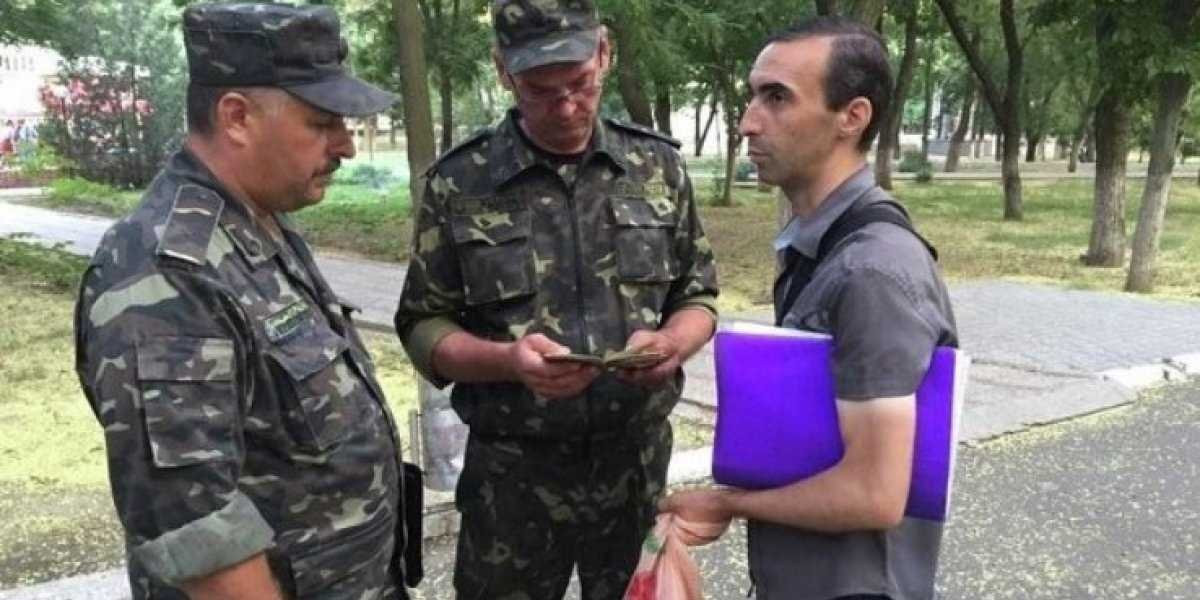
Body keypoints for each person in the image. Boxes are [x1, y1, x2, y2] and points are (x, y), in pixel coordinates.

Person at [74, 4, 417, 598]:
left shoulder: (255, 223)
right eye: (321, 122)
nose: (346, 146)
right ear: (237, 117)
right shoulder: (166, 275)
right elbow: (203, 540)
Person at [394, 0, 719, 597]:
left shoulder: (657, 167)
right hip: (512, 479)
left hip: (633, 471)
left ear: (605, 53)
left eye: (580, 83)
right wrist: (507, 361)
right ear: (503, 71)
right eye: (541, 90)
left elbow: (698, 294)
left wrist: (672, 343)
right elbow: (421, 324)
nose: (566, 106)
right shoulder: (461, 181)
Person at [658, 17, 959, 600]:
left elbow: (874, 493)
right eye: (752, 96)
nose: (748, 122)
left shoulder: (872, 270)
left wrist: (729, 503)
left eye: (777, 98)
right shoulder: (822, 248)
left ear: (853, 117)